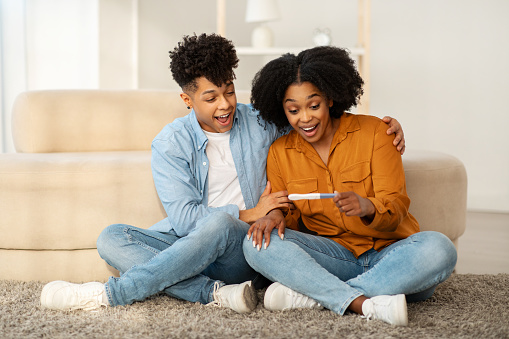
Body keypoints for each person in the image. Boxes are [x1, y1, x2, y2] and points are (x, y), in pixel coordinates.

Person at [40, 34, 405, 314]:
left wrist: (386, 127)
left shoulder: (262, 121)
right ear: (188, 100)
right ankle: (215, 294)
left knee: (218, 225)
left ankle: (107, 295)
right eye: (211, 97)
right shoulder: (170, 143)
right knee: (111, 238)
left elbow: (313, 125)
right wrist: (247, 213)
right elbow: (183, 220)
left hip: (246, 247)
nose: (226, 104)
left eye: (229, 91)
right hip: (195, 244)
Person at [243, 46, 457, 326]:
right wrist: (274, 215)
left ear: (330, 99)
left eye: (313, 105)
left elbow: (396, 205)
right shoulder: (280, 152)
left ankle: (317, 296)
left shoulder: (377, 133)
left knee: (439, 249)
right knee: (255, 244)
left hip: (390, 253)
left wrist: (368, 207)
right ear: (283, 110)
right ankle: (365, 299)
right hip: (333, 257)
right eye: (293, 110)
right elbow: (288, 213)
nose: (305, 118)